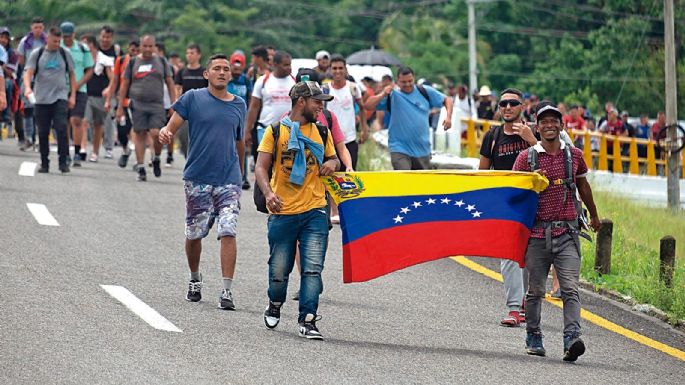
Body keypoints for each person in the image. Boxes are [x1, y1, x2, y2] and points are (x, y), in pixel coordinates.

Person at [513, 102, 601, 362]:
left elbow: (583, 187)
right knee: (535, 291)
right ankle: (534, 335)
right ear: (536, 127)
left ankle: (571, 338)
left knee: (570, 289)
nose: (549, 125)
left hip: (567, 234)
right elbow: (514, 195)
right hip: (537, 235)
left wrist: (594, 214)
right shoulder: (526, 158)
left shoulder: (573, 155)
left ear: (562, 126)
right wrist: (530, 182)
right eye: (544, 122)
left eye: (554, 121)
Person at [159, 53, 246, 310]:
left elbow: (239, 142)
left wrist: (241, 174)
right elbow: (171, 126)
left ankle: (227, 290)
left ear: (230, 75)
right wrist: (166, 132)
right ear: (207, 74)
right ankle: (195, 279)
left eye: (226, 69)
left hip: (228, 178)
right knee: (195, 233)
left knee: (228, 229)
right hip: (197, 177)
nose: (222, 72)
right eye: (217, 68)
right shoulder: (192, 98)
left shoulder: (239, 104)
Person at [256, 80, 339, 340]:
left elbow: (333, 157)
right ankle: (275, 303)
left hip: (315, 209)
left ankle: (308, 319)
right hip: (283, 211)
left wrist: (333, 164)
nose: (320, 108)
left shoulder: (322, 133)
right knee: (279, 271)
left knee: (313, 268)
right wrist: (269, 194)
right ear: (301, 101)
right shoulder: (276, 131)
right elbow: (260, 167)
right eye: (317, 102)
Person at [478, 88, 537, 327]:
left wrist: (531, 139)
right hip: (505, 205)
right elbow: (482, 173)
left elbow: (549, 160)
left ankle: (525, 303)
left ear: (522, 106)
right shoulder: (492, 136)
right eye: (503, 104)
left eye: (513, 103)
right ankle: (514, 308)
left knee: (529, 257)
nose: (508, 107)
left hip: (533, 203)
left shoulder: (535, 133)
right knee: (509, 255)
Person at [365, 66, 453, 170]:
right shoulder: (392, 95)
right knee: (404, 179)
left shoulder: (424, 91)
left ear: (414, 79)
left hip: (422, 149)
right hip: (399, 148)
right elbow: (368, 105)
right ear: (398, 81)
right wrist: (383, 94)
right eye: (403, 82)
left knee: (420, 184)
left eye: (410, 81)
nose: (407, 84)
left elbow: (447, 100)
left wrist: (448, 117)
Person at [117, 35, 176, 181]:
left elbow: (170, 83)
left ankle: (156, 157)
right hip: (137, 104)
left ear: (155, 47)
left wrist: (174, 103)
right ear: (141, 46)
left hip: (156, 104)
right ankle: (141, 167)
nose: (148, 49)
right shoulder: (133, 62)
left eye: (151, 46)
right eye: (145, 46)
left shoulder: (161, 62)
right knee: (140, 134)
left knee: (156, 133)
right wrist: (120, 106)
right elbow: (124, 85)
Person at [22, 27, 77, 173]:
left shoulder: (65, 54)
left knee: (61, 129)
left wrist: (72, 95)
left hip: (60, 97)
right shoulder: (38, 54)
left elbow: (72, 75)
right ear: (48, 39)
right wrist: (28, 88)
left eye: (59, 41)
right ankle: (44, 162)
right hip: (41, 99)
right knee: (43, 132)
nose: (57, 44)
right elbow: (28, 73)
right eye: (54, 41)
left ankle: (63, 162)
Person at [244, 50, 295, 164]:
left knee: (284, 166)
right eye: (285, 65)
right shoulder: (263, 81)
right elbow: (254, 107)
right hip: (265, 129)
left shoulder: (294, 81)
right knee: (264, 165)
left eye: (290, 64)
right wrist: (247, 130)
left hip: (289, 131)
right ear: (275, 65)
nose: (289, 68)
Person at [323, 54, 368, 170]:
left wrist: (364, 129)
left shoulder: (353, 88)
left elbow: (362, 108)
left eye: (340, 68)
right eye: (334, 68)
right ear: (330, 70)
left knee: (349, 176)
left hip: (349, 140)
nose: (338, 71)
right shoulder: (324, 89)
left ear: (345, 69)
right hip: (329, 142)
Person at [60, 22, 93, 168]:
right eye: (64, 36)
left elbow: (89, 69)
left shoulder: (82, 48)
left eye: (69, 36)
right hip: (60, 89)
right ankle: (66, 153)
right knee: (64, 122)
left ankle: (78, 152)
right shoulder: (57, 47)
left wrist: (78, 84)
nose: (67, 39)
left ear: (74, 35)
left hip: (80, 89)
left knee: (76, 120)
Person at [85, 25, 119, 162]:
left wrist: (111, 90)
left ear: (112, 38)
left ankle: (109, 147)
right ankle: (87, 147)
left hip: (108, 94)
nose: (105, 39)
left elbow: (116, 74)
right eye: (103, 36)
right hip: (90, 91)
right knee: (89, 121)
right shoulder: (94, 50)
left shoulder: (116, 51)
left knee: (108, 121)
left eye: (108, 37)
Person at [105, 40, 139, 168]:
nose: (134, 53)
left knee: (136, 130)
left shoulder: (143, 63)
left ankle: (138, 160)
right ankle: (126, 149)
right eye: (132, 50)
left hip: (137, 101)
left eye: (137, 50)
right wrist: (109, 99)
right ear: (128, 49)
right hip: (122, 100)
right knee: (121, 130)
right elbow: (114, 82)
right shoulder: (121, 60)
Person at [226, 51, 254, 190]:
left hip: (242, 118)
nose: (236, 68)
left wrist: (250, 120)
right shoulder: (225, 79)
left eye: (239, 65)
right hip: (226, 117)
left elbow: (250, 99)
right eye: (234, 65)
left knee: (241, 147)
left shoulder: (246, 80)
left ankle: (243, 177)